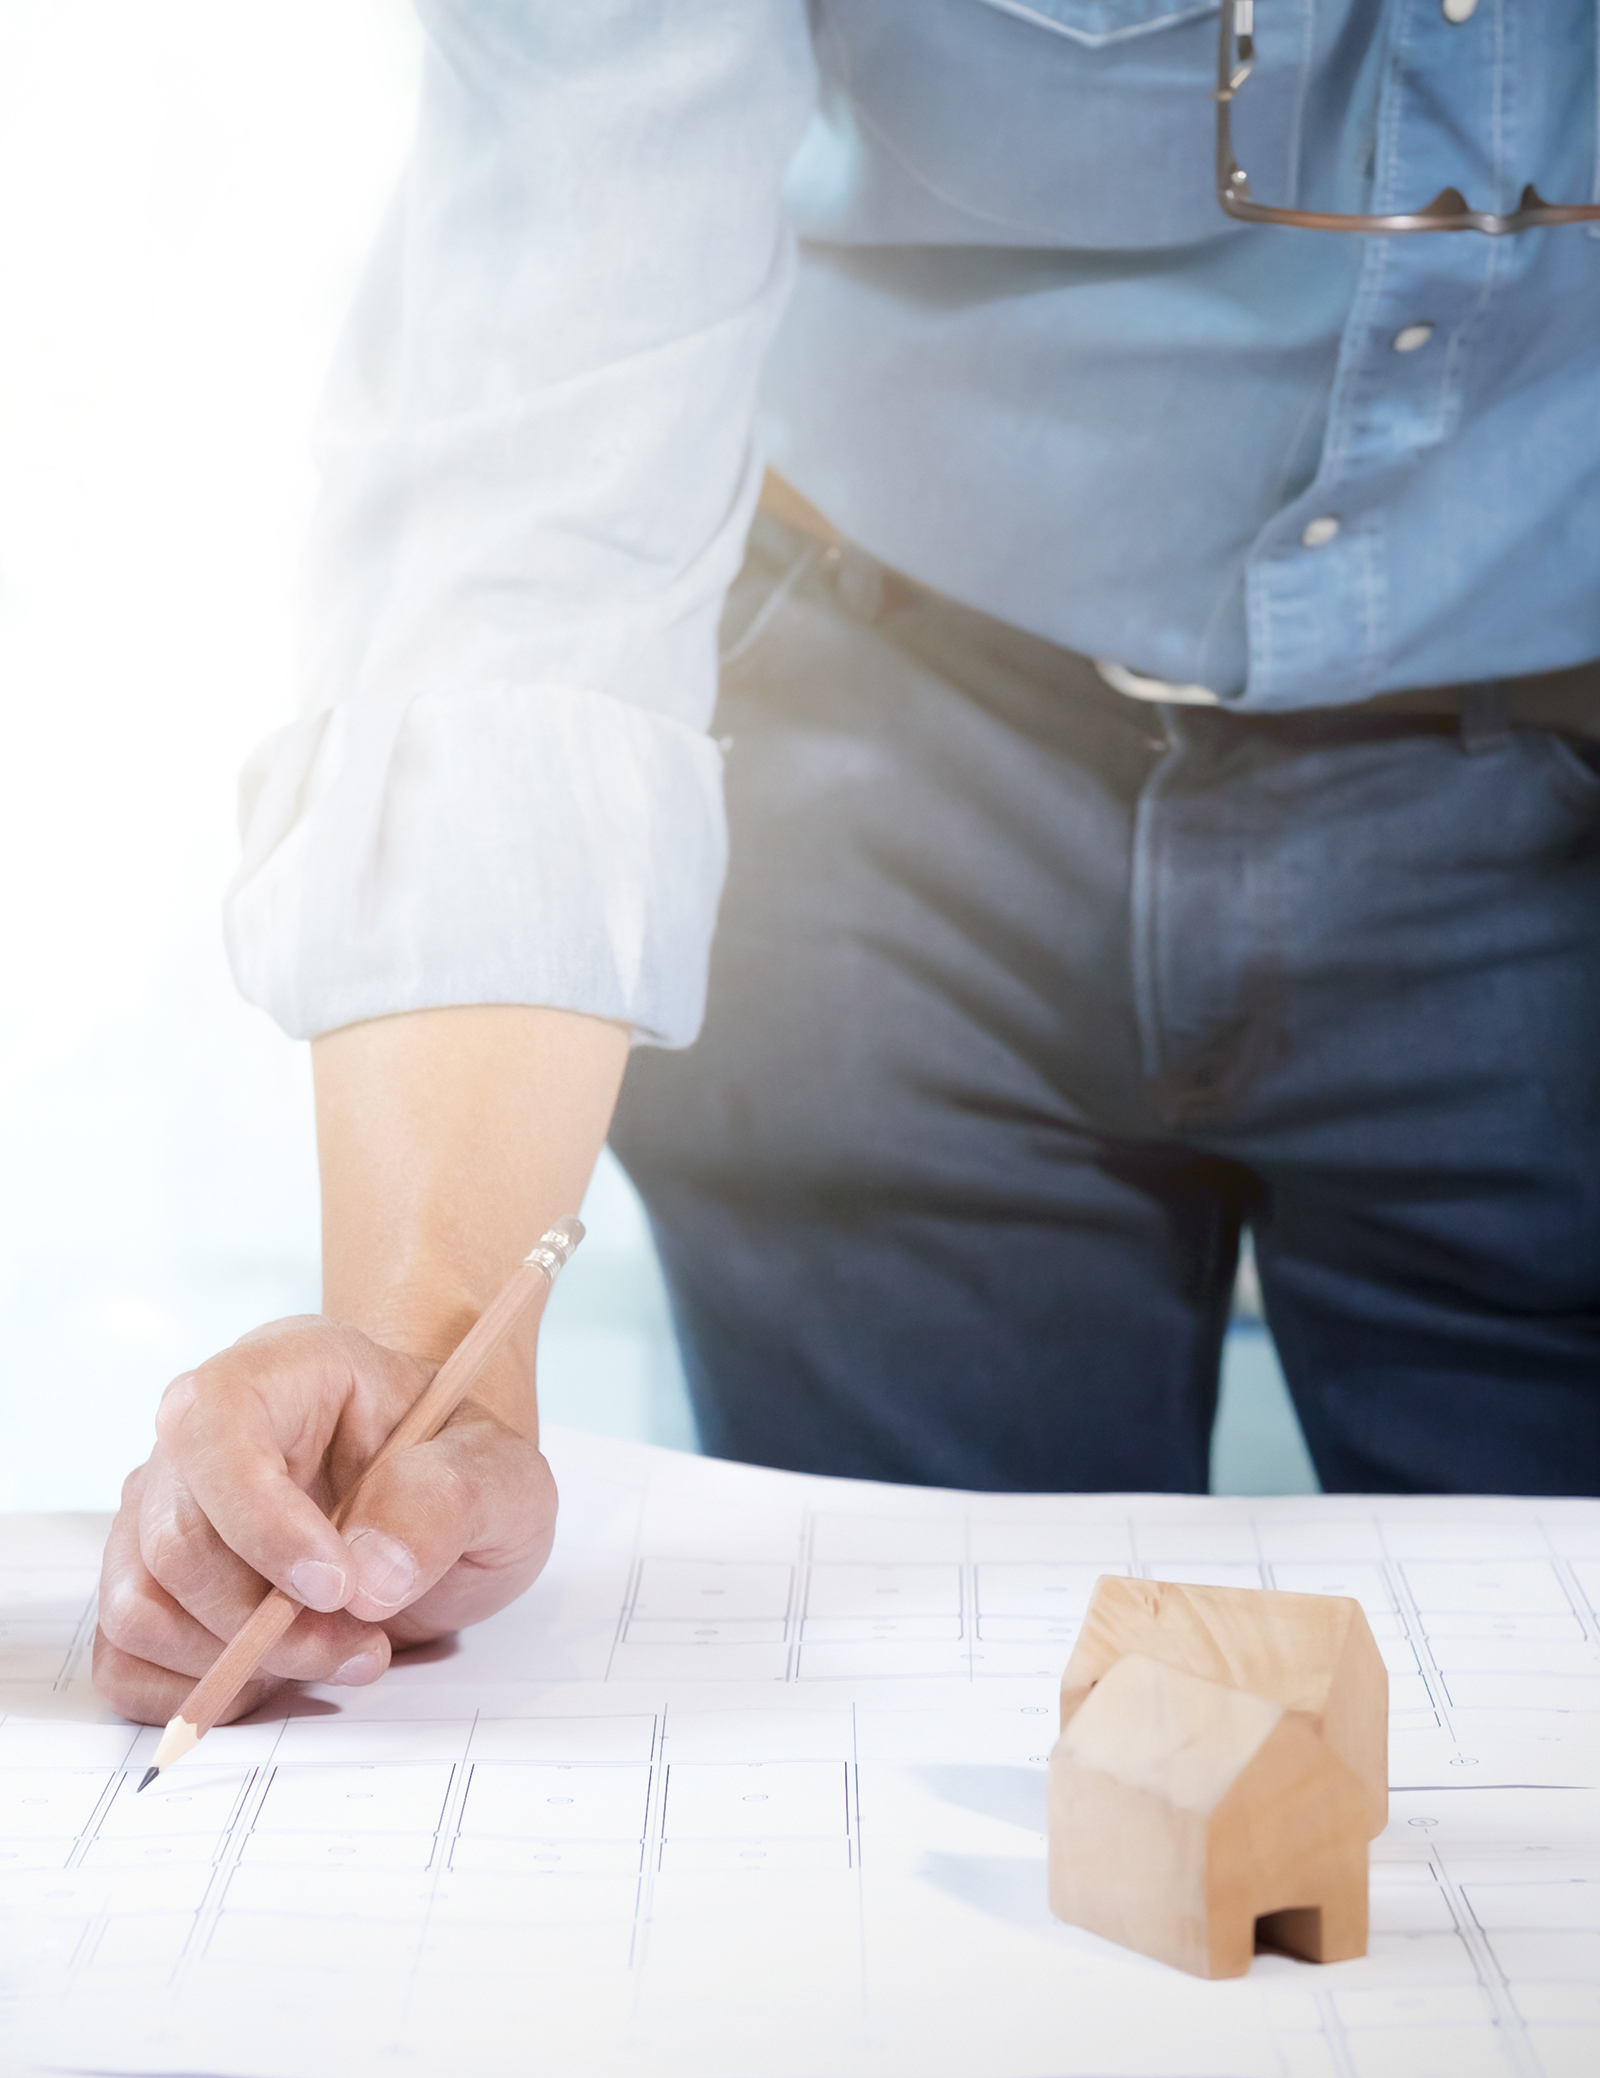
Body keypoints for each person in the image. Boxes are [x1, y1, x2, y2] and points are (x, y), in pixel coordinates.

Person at [94, 2, 1600, 1727]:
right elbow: (539, 471)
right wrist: (430, 1375)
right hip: (887, 789)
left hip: (1555, 789)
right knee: (903, 1730)